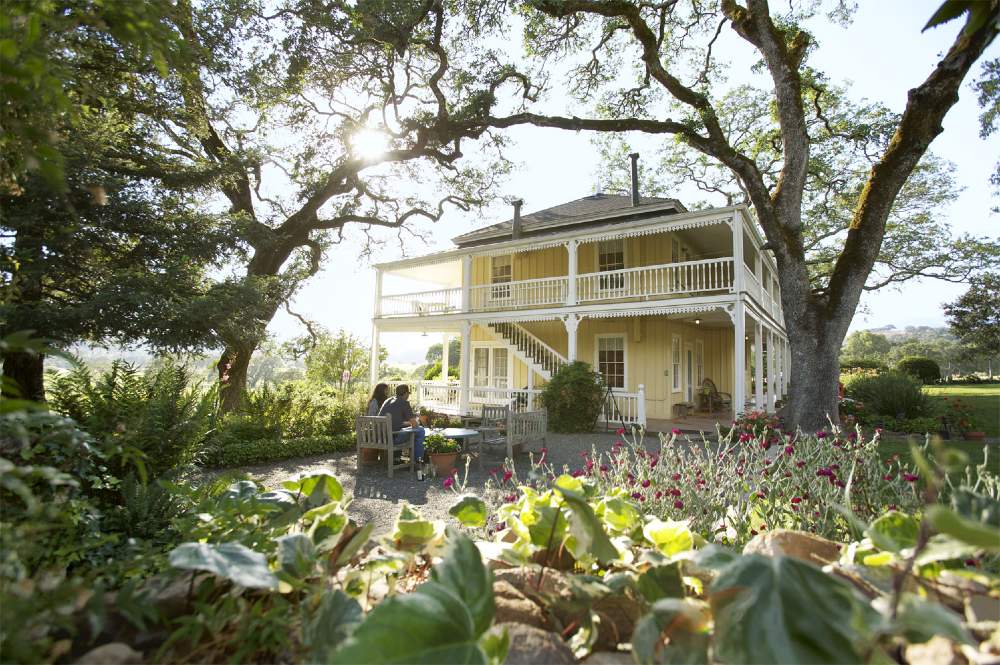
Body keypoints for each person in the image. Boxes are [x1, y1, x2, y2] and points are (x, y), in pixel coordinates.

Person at [377, 384, 425, 461]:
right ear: (405, 393)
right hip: (392, 438)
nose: (408, 395)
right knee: (420, 430)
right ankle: (418, 460)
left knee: (410, 431)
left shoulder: (387, 401)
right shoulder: (404, 403)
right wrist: (417, 421)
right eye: (408, 393)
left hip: (380, 437)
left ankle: (397, 458)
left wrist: (408, 423)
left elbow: (394, 422)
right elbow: (415, 425)